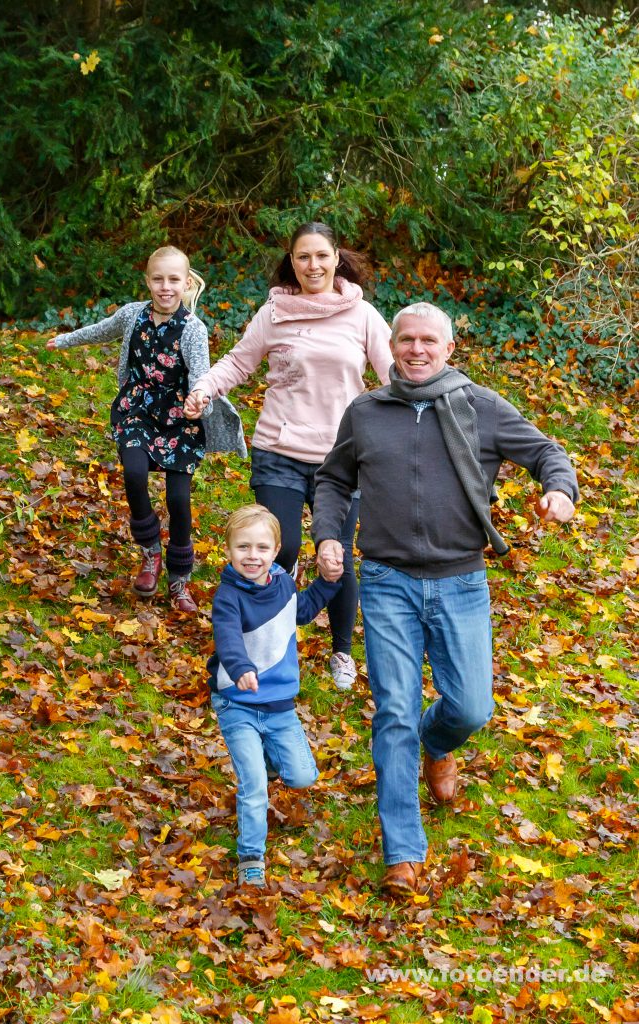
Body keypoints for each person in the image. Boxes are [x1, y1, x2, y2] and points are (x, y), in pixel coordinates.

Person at [312, 301, 578, 896]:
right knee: (395, 712)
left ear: (448, 349)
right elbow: (333, 479)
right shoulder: (366, 413)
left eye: (428, 340)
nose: (416, 350)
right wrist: (329, 533)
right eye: (405, 339)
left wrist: (559, 490)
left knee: (470, 708)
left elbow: (546, 453)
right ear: (392, 346)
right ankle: (402, 854)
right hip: (386, 582)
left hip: (461, 581)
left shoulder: (480, 407)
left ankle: (438, 745)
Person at [183, 222, 391, 690]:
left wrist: (423, 409)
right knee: (286, 547)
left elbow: (393, 373)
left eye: (321, 256)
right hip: (278, 447)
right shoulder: (275, 312)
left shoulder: (363, 315)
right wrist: (203, 389)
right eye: (303, 257)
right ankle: (274, 625)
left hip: (341, 458)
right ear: (291, 262)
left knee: (335, 556)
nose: (312, 265)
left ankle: (340, 650)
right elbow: (238, 361)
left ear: (337, 258)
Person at [46, 245, 245, 611]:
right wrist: (64, 339)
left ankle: (179, 579)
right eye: (158, 279)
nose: (165, 287)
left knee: (178, 500)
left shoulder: (192, 329)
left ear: (186, 283)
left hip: (179, 418)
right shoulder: (132, 315)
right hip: (135, 409)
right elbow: (101, 330)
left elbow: (202, 373)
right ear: (147, 281)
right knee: (134, 473)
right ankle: (150, 551)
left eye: (173, 280)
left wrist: (199, 398)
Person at [208, 504, 340, 887]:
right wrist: (240, 668)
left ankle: (267, 761)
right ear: (229, 550)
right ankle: (251, 858)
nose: (253, 556)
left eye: (262, 548)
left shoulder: (283, 584)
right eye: (243, 547)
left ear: (277, 549)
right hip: (238, 702)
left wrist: (328, 583)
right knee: (254, 787)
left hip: (279, 705)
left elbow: (301, 612)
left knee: (301, 776)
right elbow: (228, 636)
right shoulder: (228, 596)